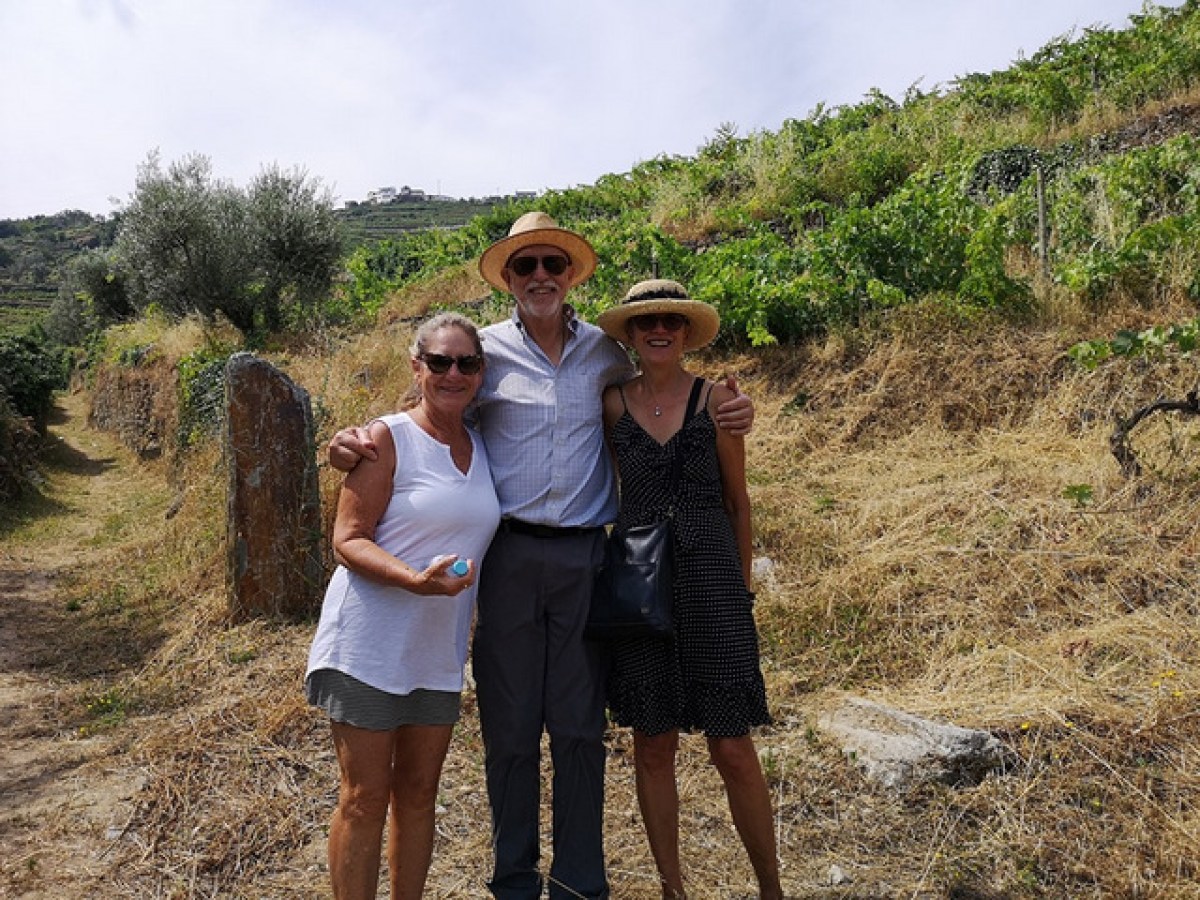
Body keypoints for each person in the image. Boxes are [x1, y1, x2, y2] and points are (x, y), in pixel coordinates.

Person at [327, 212, 755, 899]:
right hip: (508, 560)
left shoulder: (605, 356)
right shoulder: (483, 353)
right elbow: (430, 402)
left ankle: (581, 881)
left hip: (589, 560)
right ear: (508, 279)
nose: (540, 277)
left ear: (571, 274)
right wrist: (351, 443)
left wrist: (733, 410)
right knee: (512, 729)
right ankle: (516, 878)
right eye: (525, 266)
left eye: (553, 265)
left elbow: (664, 380)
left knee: (581, 728)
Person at [596, 279, 783, 900]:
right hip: (642, 584)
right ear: (628, 333)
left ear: (685, 333)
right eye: (646, 321)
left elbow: (738, 501)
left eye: (672, 322)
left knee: (731, 747)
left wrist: (743, 589)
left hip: (711, 581)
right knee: (652, 744)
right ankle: (673, 888)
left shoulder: (717, 402)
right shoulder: (613, 404)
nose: (659, 331)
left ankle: (771, 888)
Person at [305, 312, 501, 900]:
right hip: (368, 645)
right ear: (416, 367)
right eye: (438, 361)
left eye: (466, 362)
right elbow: (347, 538)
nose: (452, 373)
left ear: (479, 372)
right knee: (364, 799)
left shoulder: (483, 444)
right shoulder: (386, 437)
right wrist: (414, 580)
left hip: (435, 652)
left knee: (418, 796)